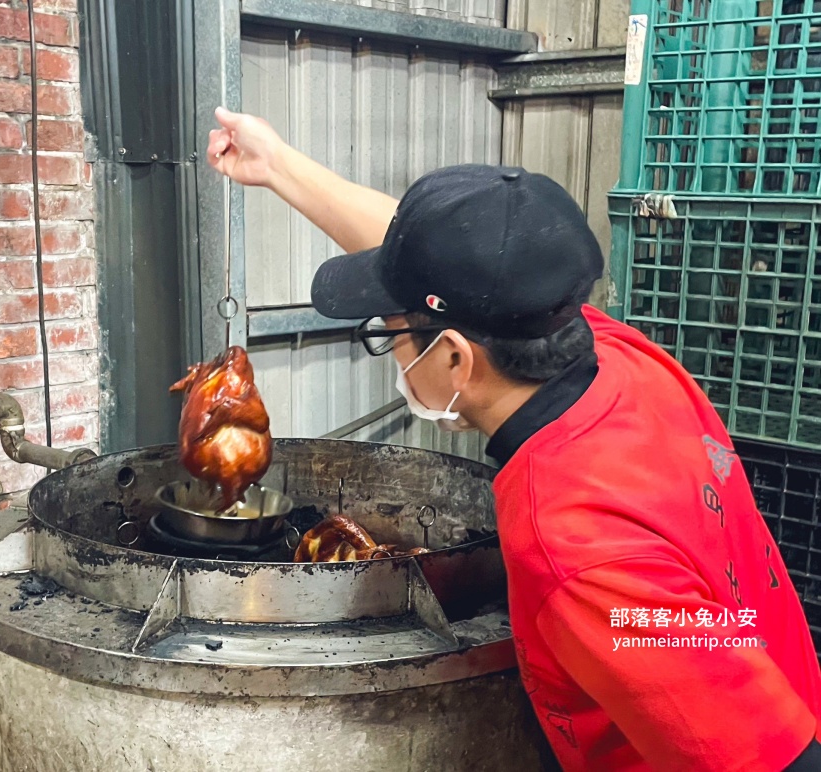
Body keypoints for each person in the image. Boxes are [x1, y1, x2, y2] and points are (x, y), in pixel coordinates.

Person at [207, 106, 821, 771]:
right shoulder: (609, 352)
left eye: (390, 333)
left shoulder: (578, 545)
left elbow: (772, 760)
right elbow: (430, 260)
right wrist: (278, 167)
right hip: (774, 672)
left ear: (454, 359)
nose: (390, 351)